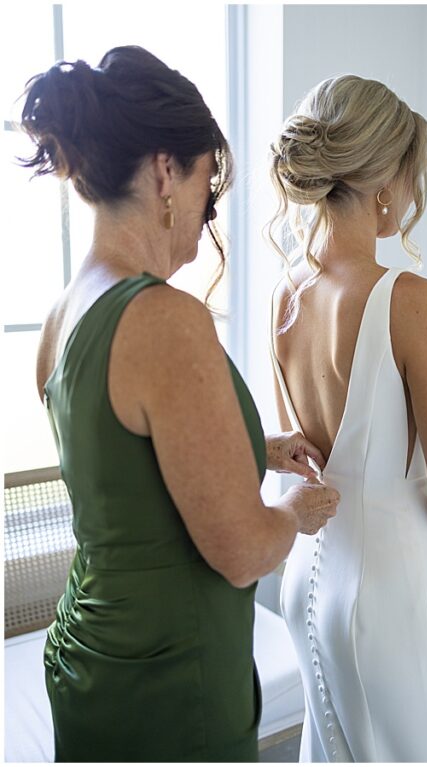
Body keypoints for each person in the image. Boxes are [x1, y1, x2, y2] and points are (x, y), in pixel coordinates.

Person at [22, 46, 340, 761]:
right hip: (169, 683)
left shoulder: (61, 316)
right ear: (167, 170)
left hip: (87, 655)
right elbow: (242, 551)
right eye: (208, 182)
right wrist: (294, 512)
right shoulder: (166, 320)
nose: (210, 211)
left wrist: (253, 447)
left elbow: (122, 467)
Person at [268, 74, 427, 762]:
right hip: (391, 572)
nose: (413, 192)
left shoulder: (286, 294)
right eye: (412, 173)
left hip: (306, 569)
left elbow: (296, 448)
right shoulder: (414, 300)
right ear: (385, 179)